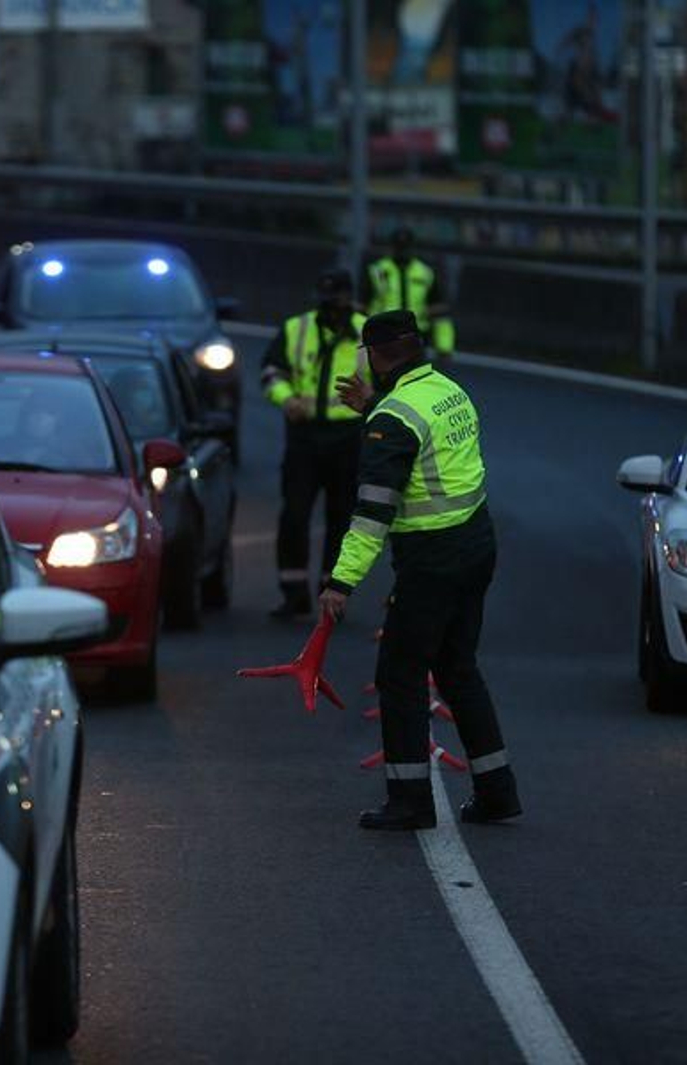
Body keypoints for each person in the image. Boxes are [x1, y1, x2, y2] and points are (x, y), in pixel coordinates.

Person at [321, 310, 519, 831]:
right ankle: (498, 793)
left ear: (374, 356)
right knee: (458, 668)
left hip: (432, 561)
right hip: (476, 544)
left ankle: (409, 799)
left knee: (401, 675)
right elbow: (419, 444)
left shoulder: (391, 419)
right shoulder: (445, 390)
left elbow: (371, 515)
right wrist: (375, 412)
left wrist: (341, 582)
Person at [259, 267, 370, 619]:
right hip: (304, 437)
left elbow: (390, 382)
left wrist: (371, 406)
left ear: (350, 300)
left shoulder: (369, 334)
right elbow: (271, 372)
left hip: (348, 438)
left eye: (337, 302)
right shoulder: (297, 328)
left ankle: (331, 593)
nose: (331, 310)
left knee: (340, 519)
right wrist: (285, 398)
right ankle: (293, 592)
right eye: (326, 302)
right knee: (294, 514)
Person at [361, 228, 456, 361]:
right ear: (392, 247)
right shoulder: (377, 271)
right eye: (399, 247)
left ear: (412, 247)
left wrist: (444, 346)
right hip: (381, 337)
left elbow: (438, 313)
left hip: (415, 339)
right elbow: (361, 309)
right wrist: (360, 341)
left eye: (405, 247)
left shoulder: (425, 273)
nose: (402, 251)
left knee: (412, 379)